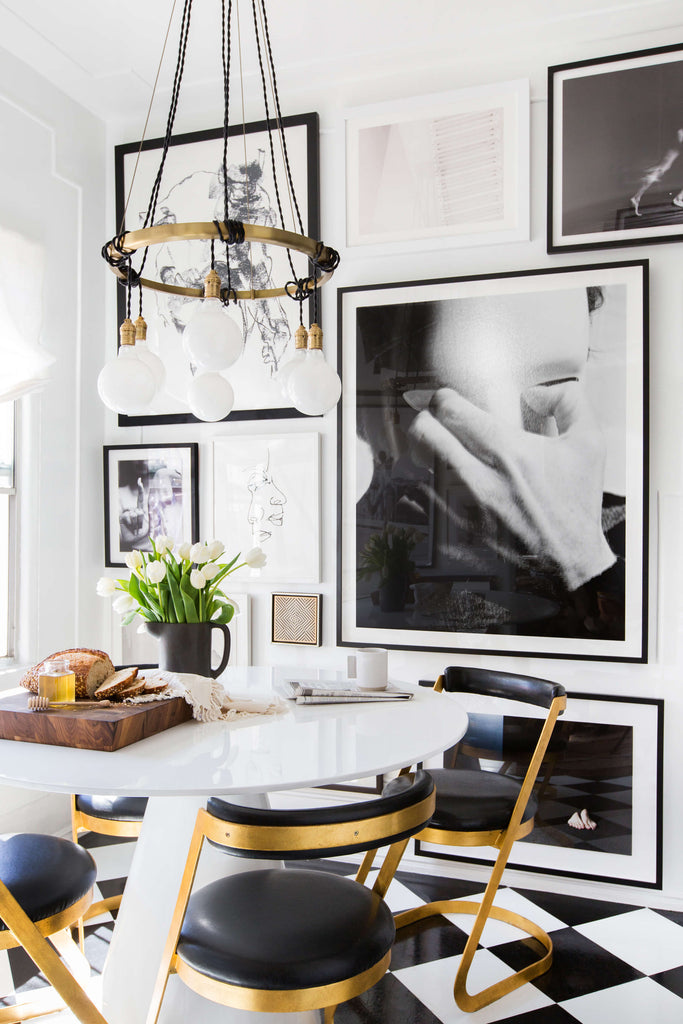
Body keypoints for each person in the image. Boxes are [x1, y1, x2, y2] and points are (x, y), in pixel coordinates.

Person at [630, 128, 683, 215]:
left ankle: (637, 197)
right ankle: (637, 197)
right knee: (661, 169)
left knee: (662, 169)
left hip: (675, 149)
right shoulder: (680, 135)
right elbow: (679, 137)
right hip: (675, 148)